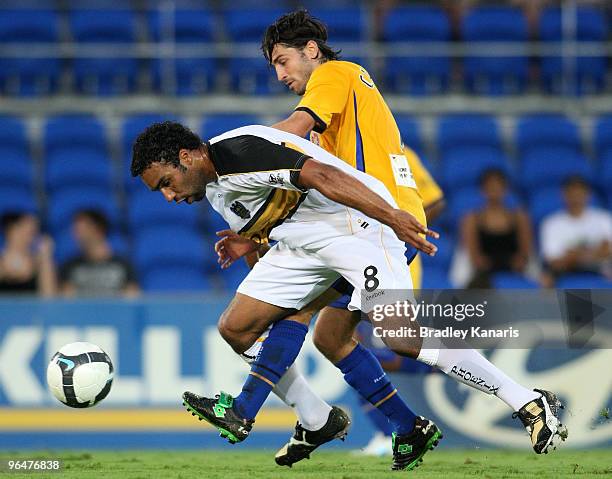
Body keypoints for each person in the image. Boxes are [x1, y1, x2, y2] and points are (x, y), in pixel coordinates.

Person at [131, 121, 566, 471]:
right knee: (238, 327)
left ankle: (527, 400)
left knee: (400, 337)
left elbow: (321, 175)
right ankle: (317, 418)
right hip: (306, 247)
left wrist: (392, 216)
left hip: (359, 228)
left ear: (187, 156)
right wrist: (251, 243)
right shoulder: (213, 188)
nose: (169, 196)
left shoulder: (239, 153)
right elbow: (279, 212)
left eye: (166, 183)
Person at [238, 9, 446, 463]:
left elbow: (292, 133)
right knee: (331, 337)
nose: (279, 74)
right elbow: (310, 179)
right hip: (370, 223)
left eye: (282, 61)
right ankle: (407, 426)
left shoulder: (332, 75)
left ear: (310, 51)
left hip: (377, 225)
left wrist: (226, 155)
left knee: (307, 317)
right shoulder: (341, 121)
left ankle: (521, 398)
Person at [461, 169, 533, 287]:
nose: (494, 190)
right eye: (490, 187)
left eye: (497, 186)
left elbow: (524, 254)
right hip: (483, 275)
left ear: (505, 189)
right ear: (482, 190)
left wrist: (514, 264)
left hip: (516, 272)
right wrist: (490, 265)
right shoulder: (472, 219)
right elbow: (475, 258)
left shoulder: (519, 217)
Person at [540, 176, 612, 283]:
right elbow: (554, 262)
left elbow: (608, 251)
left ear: (588, 194)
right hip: (566, 273)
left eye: (579, 194)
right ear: (563, 195)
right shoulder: (551, 223)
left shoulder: (604, 219)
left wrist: (574, 255)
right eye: (571, 194)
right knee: (545, 279)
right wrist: (595, 253)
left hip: (602, 272)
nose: (576, 198)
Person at [60, 209, 139, 297]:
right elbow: (66, 301)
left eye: (82, 229)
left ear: (99, 229)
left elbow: (132, 300)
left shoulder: (123, 265)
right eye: (76, 231)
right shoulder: (70, 266)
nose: (77, 235)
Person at [0, 211, 57, 296]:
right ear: (11, 229)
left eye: (34, 231)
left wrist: (46, 258)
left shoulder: (40, 262)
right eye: (26, 228)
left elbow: (49, 296)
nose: (32, 234)